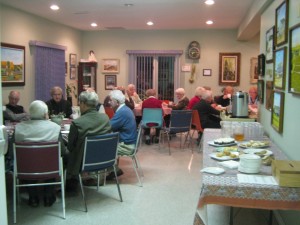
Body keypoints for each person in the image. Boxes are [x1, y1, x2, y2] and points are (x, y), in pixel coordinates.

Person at [14, 100, 66, 207]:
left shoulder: (18, 128)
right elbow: (62, 151)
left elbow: (11, 152)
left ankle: (33, 197)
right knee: (52, 160)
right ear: (44, 114)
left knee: (26, 161)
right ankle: (48, 196)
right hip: (50, 168)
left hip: (25, 169)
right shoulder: (55, 128)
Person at [66, 90, 111, 192]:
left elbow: (70, 146)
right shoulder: (105, 118)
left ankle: (70, 182)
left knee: (65, 154)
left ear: (83, 104)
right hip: (104, 158)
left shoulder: (77, 123)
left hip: (83, 161)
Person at [107, 89, 137, 179]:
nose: (109, 102)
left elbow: (108, 126)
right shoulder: (125, 109)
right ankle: (113, 169)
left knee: (101, 146)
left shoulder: (122, 112)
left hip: (126, 146)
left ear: (116, 102)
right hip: (129, 142)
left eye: (110, 100)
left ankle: (99, 178)